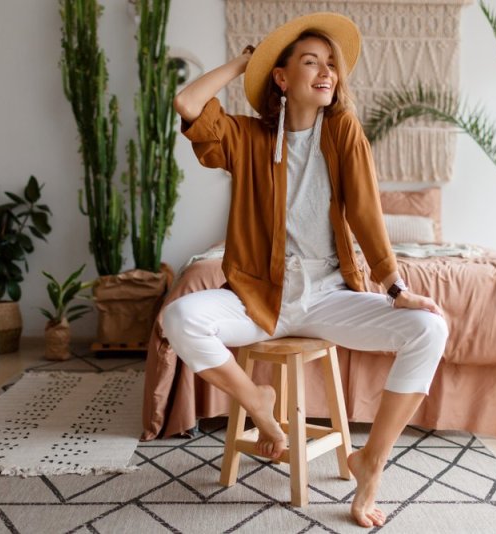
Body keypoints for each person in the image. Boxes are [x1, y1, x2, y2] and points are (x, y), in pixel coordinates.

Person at [168, 12, 449, 528]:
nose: (326, 73)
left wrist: (395, 287)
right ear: (282, 77)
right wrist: (245, 63)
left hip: (326, 296)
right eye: (311, 62)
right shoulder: (247, 137)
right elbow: (187, 105)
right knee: (179, 317)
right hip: (259, 299)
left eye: (331, 65)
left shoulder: (341, 130)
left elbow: (365, 211)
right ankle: (258, 401)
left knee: (429, 328)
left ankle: (371, 461)